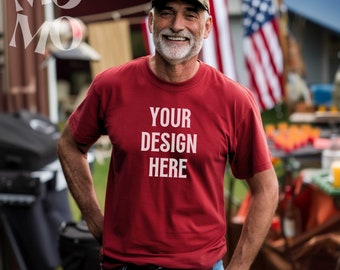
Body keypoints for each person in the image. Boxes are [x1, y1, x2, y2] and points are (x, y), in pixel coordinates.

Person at [57, 0, 279, 269]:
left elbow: (266, 188)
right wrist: (93, 217)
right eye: (166, 13)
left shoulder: (234, 101)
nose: (177, 25)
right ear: (151, 22)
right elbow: (70, 144)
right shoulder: (112, 87)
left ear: (207, 27)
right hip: (125, 264)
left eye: (190, 15)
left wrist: (239, 266)